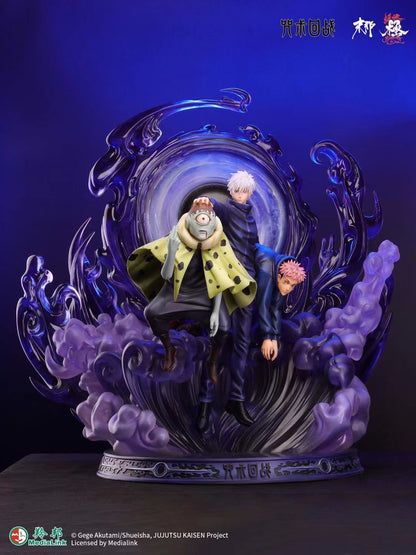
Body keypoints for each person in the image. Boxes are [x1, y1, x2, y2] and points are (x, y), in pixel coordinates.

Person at [127, 198, 256, 378]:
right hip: (175, 293)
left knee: (223, 327)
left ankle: (212, 361)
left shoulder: (218, 245)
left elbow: (219, 280)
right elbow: (166, 275)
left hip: (205, 296)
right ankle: (169, 348)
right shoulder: (175, 239)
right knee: (152, 313)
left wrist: (215, 312)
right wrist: (171, 252)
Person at [196, 170, 259, 430]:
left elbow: (255, 249)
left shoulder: (251, 218)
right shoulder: (226, 209)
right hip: (224, 282)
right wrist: (204, 201)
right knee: (217, 337)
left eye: (245, 191)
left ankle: (236, 399)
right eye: (237, 190)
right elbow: (211, 207)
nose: (241, 195)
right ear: (231, 191)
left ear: (249, 193)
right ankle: (204, 402)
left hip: (246, 284)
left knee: (243, 343)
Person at [256, 245, 306, 361]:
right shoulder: (267, 270)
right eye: (286, 282)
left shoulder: (279, 280)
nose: (288, 288)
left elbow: (276, 308)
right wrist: (267, 337)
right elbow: (263, 304)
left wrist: (275, 339)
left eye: (292, 285)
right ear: (279, 277)